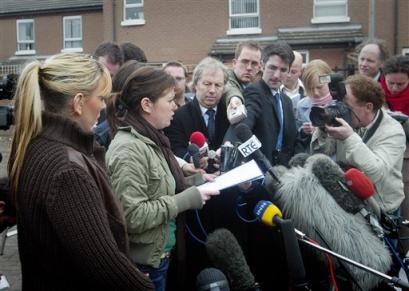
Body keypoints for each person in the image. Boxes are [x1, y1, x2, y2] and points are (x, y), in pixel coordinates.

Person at [8, 53, 154, 290]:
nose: (104, 106)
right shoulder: (67, 170)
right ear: (78, 103)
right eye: (101, 97)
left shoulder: (37, 144)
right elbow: (105, 266)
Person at [105, 66, 219, 291]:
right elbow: (132, 215)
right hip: (144, 267)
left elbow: (159, 188)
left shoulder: (151, 140)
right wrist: (187, 199)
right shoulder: (128, 150)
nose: (175, 106)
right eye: (169, 100)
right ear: (147, 104)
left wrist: (198, 183)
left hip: (158, 260)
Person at [311, 74, 406, 214]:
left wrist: (349, 137)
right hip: (350, 202)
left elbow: (375, 173)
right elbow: (320, 155)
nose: (340, 108)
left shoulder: (392, 132)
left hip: (382, 209)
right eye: (339, 103)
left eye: (346, 105)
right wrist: (323, 130)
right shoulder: (346, 120)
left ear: (368, 107)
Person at [226, 40, 297, 166]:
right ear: (263, 66)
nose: (276, 75)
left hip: (283, 175)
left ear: (289, 71)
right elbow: (243, 128)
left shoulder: (287, 101)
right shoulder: (254, 92)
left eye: (283, 70)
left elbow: (291, 142)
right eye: (272, 68)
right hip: (259, 174)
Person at [164, 57, 229, 164]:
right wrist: (192, 160)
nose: (212, 90)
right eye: (207, 84)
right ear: (195, 84)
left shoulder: (229, 114)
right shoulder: (178, 116)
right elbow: (176, 149)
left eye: (218, 85)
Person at [380, 55, 409, 253]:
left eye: (401, 84)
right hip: (383, 162)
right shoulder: (376, 94)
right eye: (391, 82)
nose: (395, 88)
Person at [295, 59, 334, 152]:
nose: (315, 92)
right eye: (310, 88)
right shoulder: (301, 105)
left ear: (329, 81)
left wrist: (320, 130)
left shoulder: (339, 103)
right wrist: (304, 132)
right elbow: (297, 137)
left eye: (319, 87)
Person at [224, 41, 262, 117]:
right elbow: (229, 88)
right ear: (234, 63)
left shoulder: (256, 87)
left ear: (259, 67)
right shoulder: (224, 78)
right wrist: (234, 98)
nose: (249, 68)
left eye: (254, 63)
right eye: (245, 62)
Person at [283, 50, 305, 115]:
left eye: (293, 72)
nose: (288, 75)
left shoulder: (309, 90)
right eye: (286, 70)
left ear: (301, 71)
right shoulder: (273, 89)